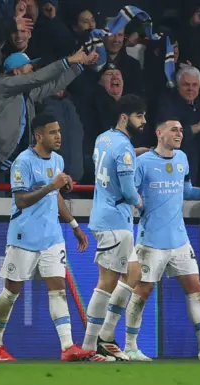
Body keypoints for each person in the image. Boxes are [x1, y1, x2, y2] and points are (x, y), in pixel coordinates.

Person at [121, 119, 200, 361]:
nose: (179, 133)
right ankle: (130, 346)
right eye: (174, 129)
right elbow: (129, 192)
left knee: (195, 287)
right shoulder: (143, 163)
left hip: (180, 239)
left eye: (182, 130)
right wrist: (137, 205)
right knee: (143, 290)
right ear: (159, 132)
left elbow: (187, 191)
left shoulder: (182, 158)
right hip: (151, 240)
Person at [0, 113, 91, 362]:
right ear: (39, 136)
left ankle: (67, 346)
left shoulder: (57, 159)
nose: (58, 136)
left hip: (52, 236)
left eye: (59, 131)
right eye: (52, 132)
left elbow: (55, 197)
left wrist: (74, 225)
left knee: (58, 289)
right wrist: (51, 186)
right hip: (24, 236)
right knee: (11, 292)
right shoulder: (22, 162)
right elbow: (21, 200)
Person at [83, 95, 146, 362]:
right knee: (107, 283)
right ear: (124, 117)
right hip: (115, 221)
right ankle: (90, 345)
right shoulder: (124, 149)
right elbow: (129, 190)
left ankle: (106, 336)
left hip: (105, 214)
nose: (143, 121)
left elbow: (115, 160)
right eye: (139, 116)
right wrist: (140, 203)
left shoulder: (103, 138)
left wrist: (136, 153)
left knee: (133, 272)